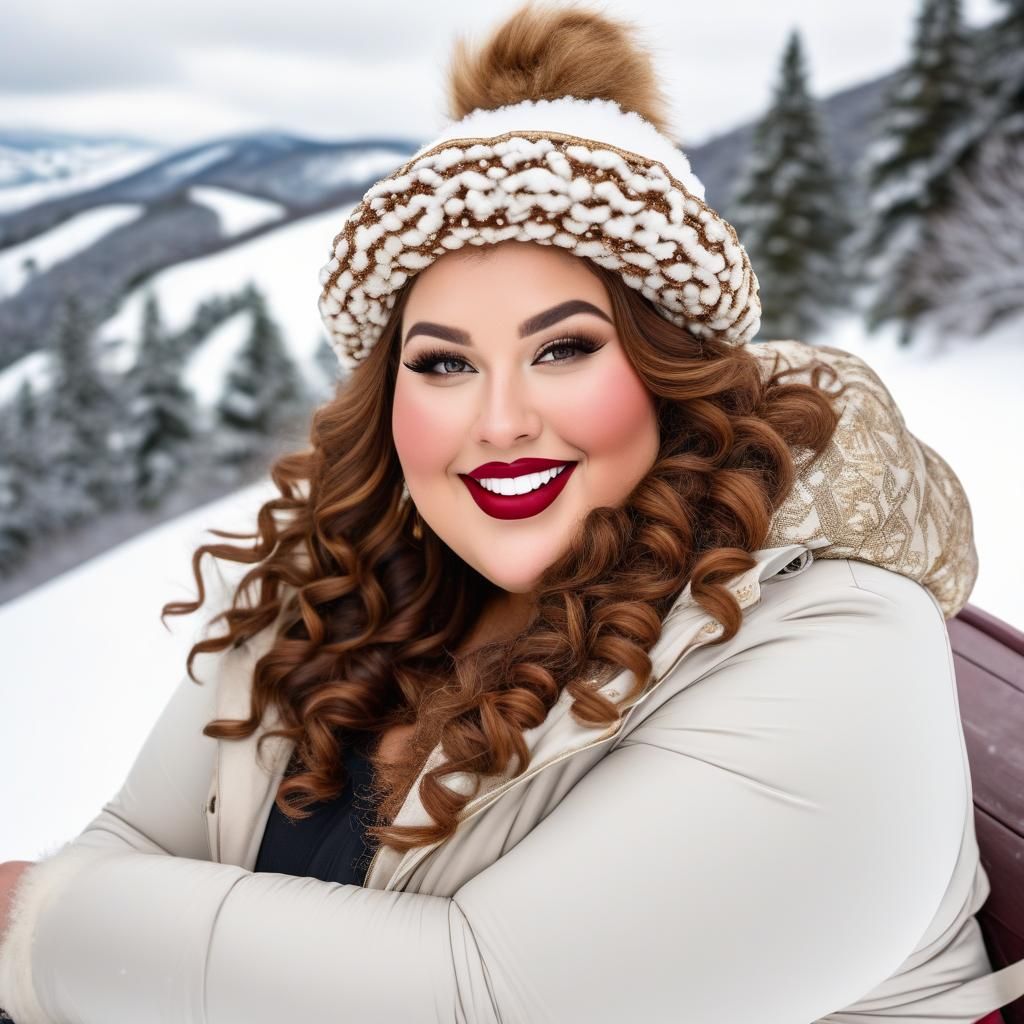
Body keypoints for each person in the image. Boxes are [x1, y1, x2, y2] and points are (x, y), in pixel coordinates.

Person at [2, 3, 1023, 1021]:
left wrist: (43, 929)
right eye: (443, 362)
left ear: (673, 371)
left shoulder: (831, 644)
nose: (497, 420)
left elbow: (479, 996)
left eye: (564, 348)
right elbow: (136, 837)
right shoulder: (354, 579)